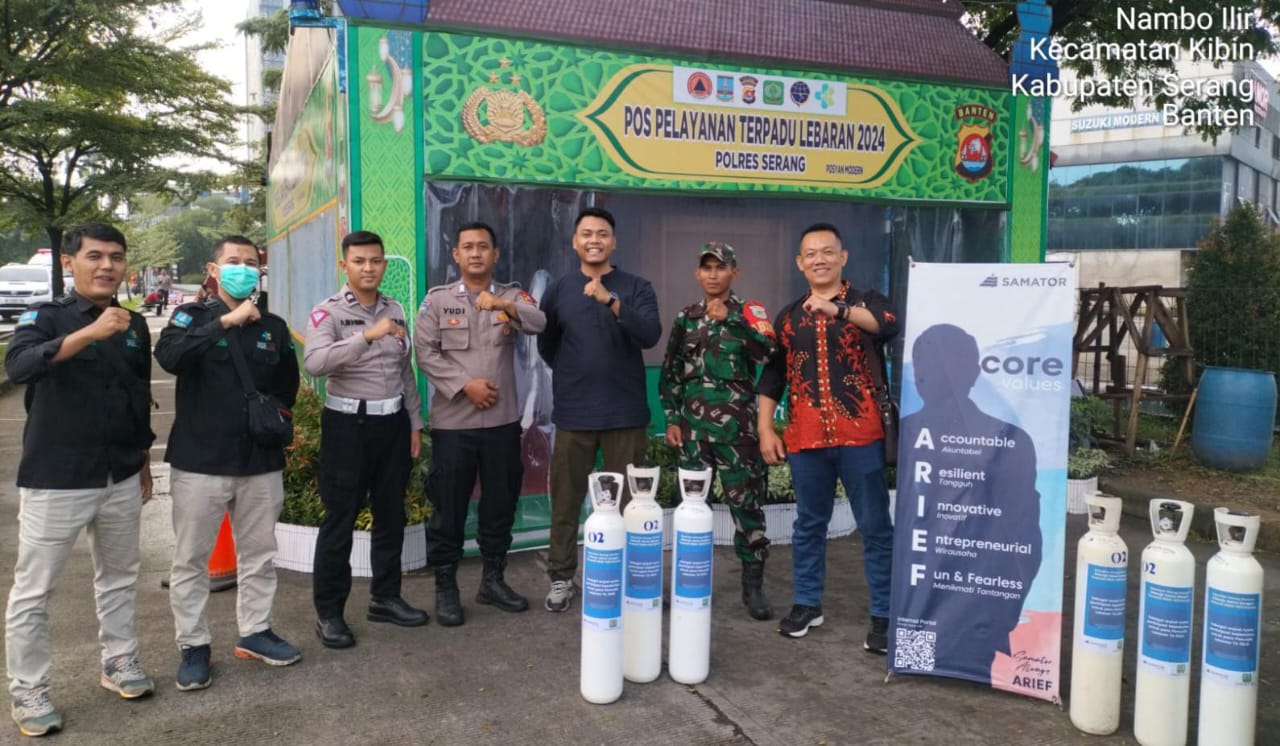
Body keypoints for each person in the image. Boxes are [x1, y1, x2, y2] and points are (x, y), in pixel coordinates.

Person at [4, 223, 156, 737]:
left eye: (116, 256)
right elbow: (20, 366)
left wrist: (142, 457)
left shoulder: (134, 324)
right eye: (95, 256)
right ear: (70, 263)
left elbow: (137, 392)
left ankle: (120, 661)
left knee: (119, 577)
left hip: (120, 473)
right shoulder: (44, 316)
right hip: (57, 476)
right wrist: (87, 334)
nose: (107, 265)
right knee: (34, 591)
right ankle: (29, 688)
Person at [155, 235, 301, 690]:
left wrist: (272, 420)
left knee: (259, 555)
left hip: (260, 460)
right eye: (233, 261)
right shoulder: (190, 318)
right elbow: (170, 357)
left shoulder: (272, 325)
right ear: (214, 270)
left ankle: (256, 632)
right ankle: (193, 645)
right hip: (200, 461)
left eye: (251, 263)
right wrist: (225, 322)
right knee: (190, 559)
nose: (244, 269)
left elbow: (288, 385)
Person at [757, 222, 899, 652]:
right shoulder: (788, 317)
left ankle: (885, 613)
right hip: (806, 438)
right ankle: (806, 604)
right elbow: (773, 375)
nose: (819, 259)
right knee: (808, 525)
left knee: (875, 526)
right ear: (800, 263)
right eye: (811, 253)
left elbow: (887, 325)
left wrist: (837, 310)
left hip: (861, 436)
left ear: (843, 257)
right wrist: (765, 428)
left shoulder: (867, 302)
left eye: (827, 251)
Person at [891, 324, 1041, 682]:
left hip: (980, 619)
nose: (925, 377)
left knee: (972, 674)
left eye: (939, 365)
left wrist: (1000, 617)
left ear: (972, 372)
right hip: (917, 609)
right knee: (916, 676)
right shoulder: (906, 434)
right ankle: (913, 663)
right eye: (921, 365)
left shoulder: (1010, 441)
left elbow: (1024, 540)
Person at [414, 222, 547, 625]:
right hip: (454, 425)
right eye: (468, 247)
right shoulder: (438, 300)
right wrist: (465, 386)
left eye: (483, 247)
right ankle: (446, 587)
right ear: (456, 255)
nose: (475, 253)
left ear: (495, 254)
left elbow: (539, 322)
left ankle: (493, 581)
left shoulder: (511, 295)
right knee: (449, 507)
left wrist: (503, 305)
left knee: (500, 505)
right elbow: (425, 352)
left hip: (502, 423)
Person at [303, 231, 429, 648]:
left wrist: (414, 422)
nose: (369, 268)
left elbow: (405, 369)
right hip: (348, 427)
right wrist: (367, 336)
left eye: (376, 261)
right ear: (345, 265)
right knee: (340, 519)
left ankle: (385, 598)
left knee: (391, 514)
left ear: (384, 265)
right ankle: (329, 613)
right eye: (359, 261)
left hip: (392, 425)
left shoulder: (394, 309)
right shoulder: (328, 312)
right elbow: (315, 363)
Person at [536, 207, 661, 612]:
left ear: (614, 241)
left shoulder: (636, 286)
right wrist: (575, 373)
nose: (594, 240)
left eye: (602, 233)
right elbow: (547, 344)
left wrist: (612, 302)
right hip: (574, 413)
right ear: (575, 242)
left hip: (625, 413)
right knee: (566, 501)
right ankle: (561, 577)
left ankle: (630, 577)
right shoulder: (559, 289)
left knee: (630, 504)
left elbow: (650, 334)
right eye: (586, 233)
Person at [659, 242, 776, 620]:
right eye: (706, 267)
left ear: (734, 272)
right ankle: (691, 581)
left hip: (738, 435)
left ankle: (753, 587)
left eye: (720, 267)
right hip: (694, 435)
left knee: (747, 509)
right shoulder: (686, 317)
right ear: (698, 273)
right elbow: (671, 371)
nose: (713, 274)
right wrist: (672, 417)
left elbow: (769, 355)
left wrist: (732, 321)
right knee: (693, 510)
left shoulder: (751, 313)